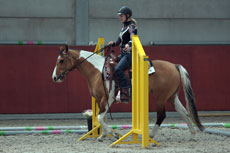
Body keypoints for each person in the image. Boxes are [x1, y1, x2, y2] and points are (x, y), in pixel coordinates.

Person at [108, 6, 137, 103]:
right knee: (110, 64)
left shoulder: (131, 26)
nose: (120, 17)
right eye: (119, 16)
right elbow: (119, 40)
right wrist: (114, 43)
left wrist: (129, 44)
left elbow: (133, 37)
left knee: (118, 69)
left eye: (122, 15)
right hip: (124, 54)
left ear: (127, 16)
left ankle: (125, 91)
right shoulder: (124, 27)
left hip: (130, 54)